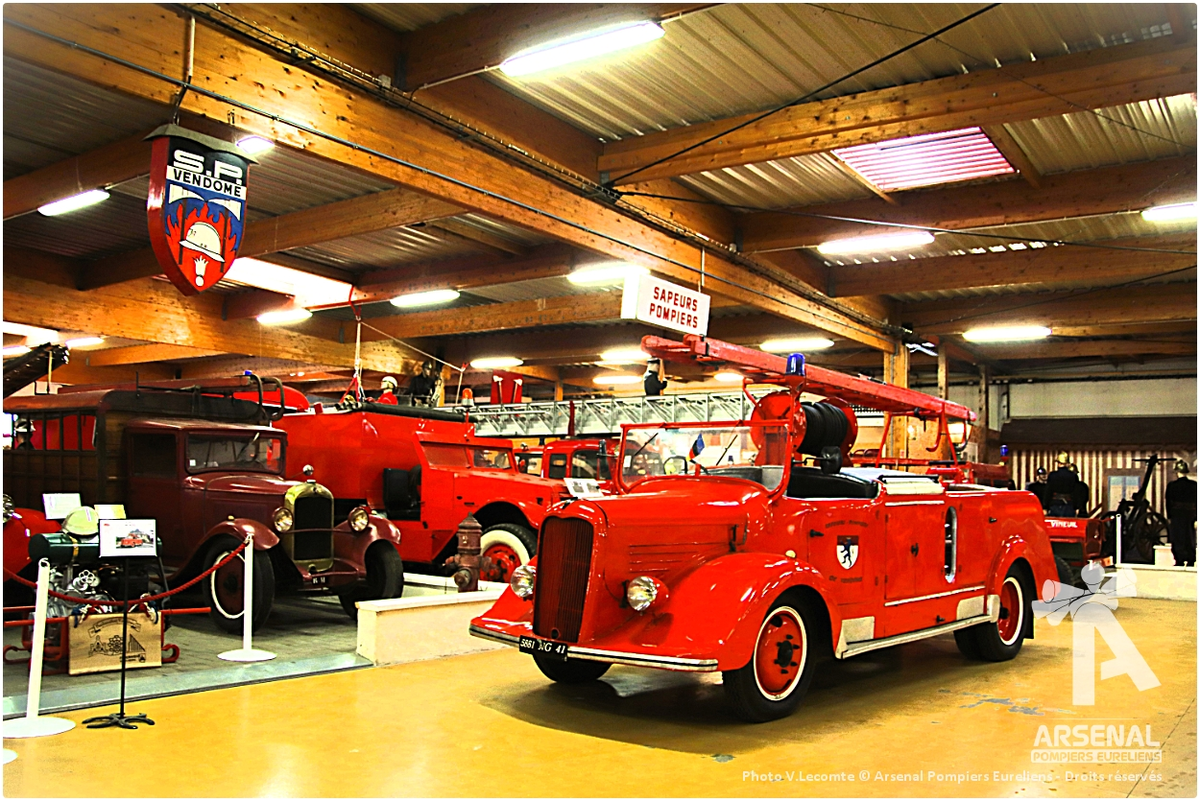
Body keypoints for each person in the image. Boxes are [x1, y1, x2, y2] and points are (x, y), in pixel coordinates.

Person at [1166, 460, 1196, 567]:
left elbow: (1168, 502)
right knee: (1189, 537)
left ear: (1177, 472)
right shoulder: (1194, 485)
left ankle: (1179, 558)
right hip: (1190, 514)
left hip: (1177, 514)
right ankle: (1191, 558)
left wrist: (1169, 516)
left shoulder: (1172, 486)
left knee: (1178, 537)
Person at [1046, 451, 1080, 517]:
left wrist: (1045, 507)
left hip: (1055, 504)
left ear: (1058, 463)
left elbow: (1048, 491)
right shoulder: (1073, 476)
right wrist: (1077, 506)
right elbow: (1076, 492)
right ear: (1067, 463)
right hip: (1069, 505)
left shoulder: (1052, 475)